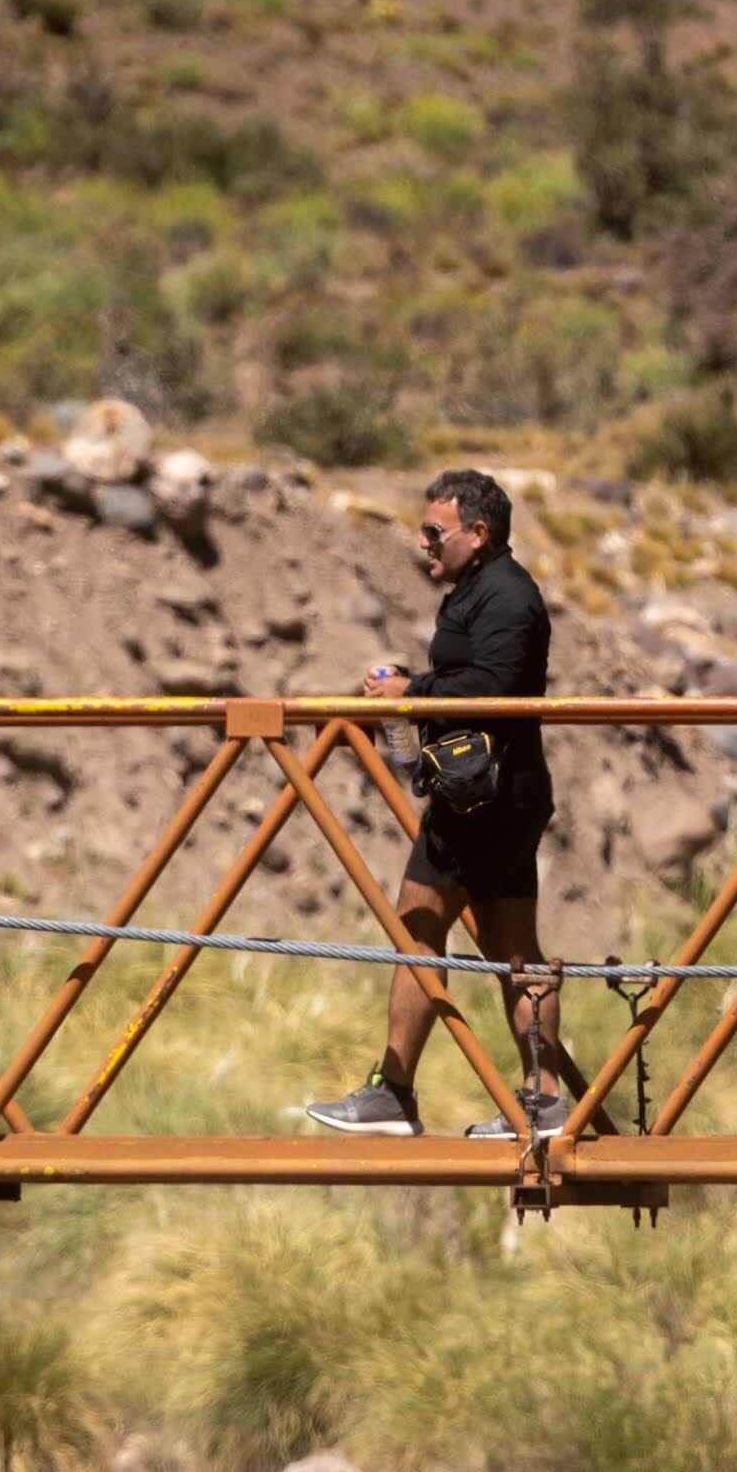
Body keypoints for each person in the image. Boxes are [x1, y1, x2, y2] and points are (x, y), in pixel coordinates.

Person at [299, 468, 592, 1137]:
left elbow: (492, 683)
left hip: (489, 802)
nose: (424, 543)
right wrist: (410, 685)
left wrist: (413, 686)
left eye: (435, 531)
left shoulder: (509, 597)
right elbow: (472, 675)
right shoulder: (480, 591)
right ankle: (541, 1098)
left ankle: (394, 1093)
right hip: (489, 795)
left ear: (478, 532)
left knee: (419, 927)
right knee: (513, 949)